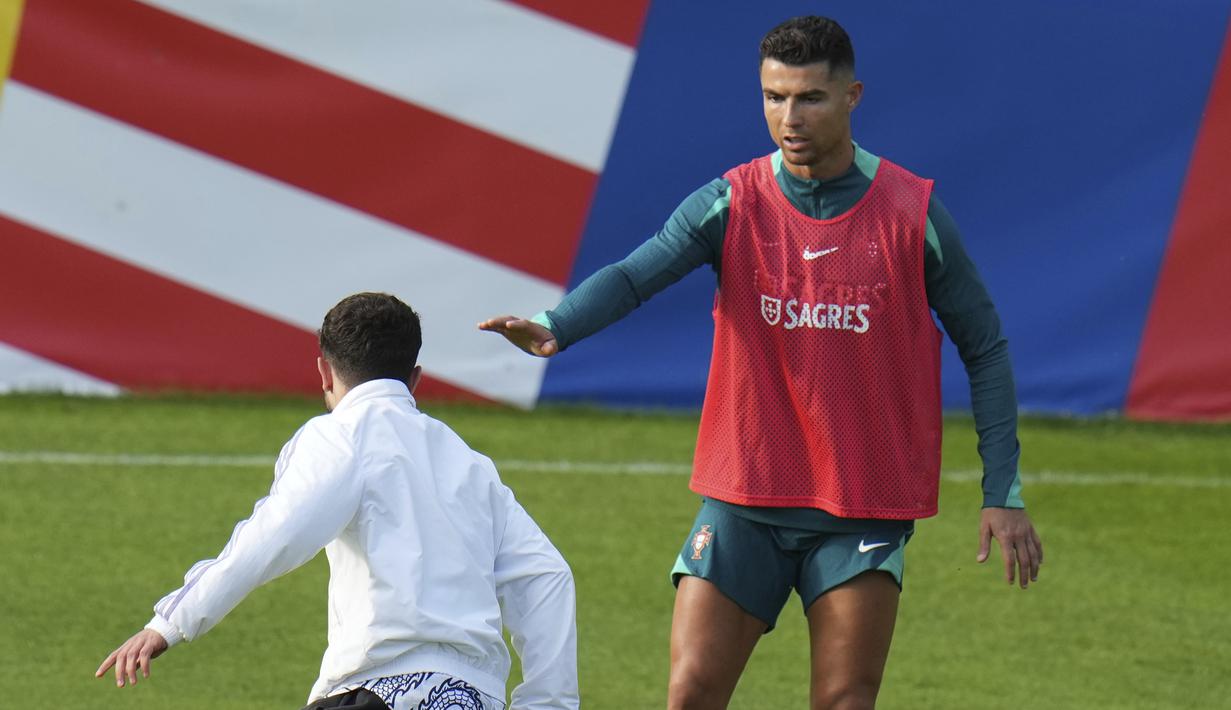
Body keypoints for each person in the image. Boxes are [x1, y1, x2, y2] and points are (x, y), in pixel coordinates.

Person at [480, 15, 1042, 710]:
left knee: (842, 702)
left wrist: (1003, 493)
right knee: (689, 692)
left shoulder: (910, 214)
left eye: (808, 97)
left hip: (858, 506)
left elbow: (984, 345)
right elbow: (634, 275)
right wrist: (553, 327)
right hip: (744, 494)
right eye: (773, 97)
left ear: (852, 96)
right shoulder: (729, 201)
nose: (788, 117)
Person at [97, 292, 579, 710]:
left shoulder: (339, 436)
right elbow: (546, 577)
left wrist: (171, 622)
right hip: (474, 696)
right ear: (415, 379)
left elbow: (276, 532)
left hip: (381, 692)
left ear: (325, 372)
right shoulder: (473, 465)